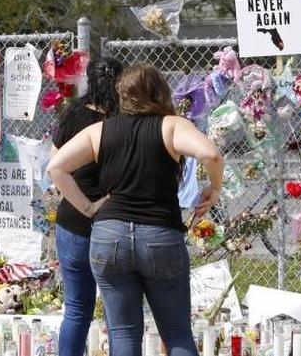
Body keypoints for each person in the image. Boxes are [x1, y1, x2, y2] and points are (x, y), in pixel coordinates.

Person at [48, 63, 225, 356]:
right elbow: (211, 154)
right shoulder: (170, 125)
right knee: (177, 332)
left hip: (109, 235)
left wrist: (88, 207)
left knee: (124, 335)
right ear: (160, 92)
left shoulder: (99, 131)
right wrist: (214, 189)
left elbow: (56, 167)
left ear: (122, 94)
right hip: (159, 234)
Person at [53, 57, 124, 356]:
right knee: (117, 310)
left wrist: (84, 206)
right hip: (111, 221)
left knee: (77, 307)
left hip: (72, 220)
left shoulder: (73, 116)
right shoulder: (124, 123)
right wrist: (94, 207)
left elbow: (55, 165)